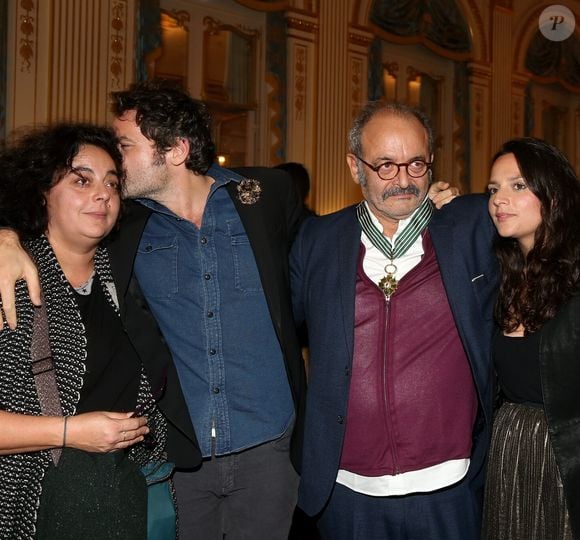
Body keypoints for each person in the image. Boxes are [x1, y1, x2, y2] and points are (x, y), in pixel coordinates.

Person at [0, 84, 458, 540]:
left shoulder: (266, 195)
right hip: (181, 459)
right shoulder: (123, 224)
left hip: (273, 452)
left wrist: (426, 209)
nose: (113, 166)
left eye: (124, 147)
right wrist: (5, 236)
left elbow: (337, 249)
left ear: (176, 150)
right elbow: (53, 211)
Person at [289, 101, 499, 539]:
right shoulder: (318, 240)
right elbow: (282, 332)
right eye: (385, 165)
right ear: (354, 167)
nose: (403, 180)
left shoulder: (471, 227)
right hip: (346, 490)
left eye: (416, 164)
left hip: (449, 487)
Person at [0, 123, 198, 538]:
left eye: (111, 182)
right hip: (36, 500)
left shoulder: (129, 275)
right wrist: (71, 432)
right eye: (80, 180)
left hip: (132, 490)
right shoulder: (8, 279)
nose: (102, 193)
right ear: (41, 191)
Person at [482, 138, 580, 539]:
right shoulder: (501, 278)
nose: (499, 200)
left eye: (518, 185)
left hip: (565, 459)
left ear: (552, 196)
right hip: (509, 450)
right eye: (493, 190)